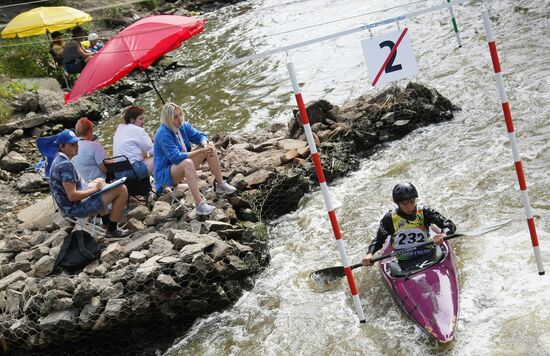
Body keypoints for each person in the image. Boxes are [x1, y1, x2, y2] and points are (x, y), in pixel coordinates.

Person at [153, 102, 237, 215]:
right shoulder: (163, 133)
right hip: (166, 175)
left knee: (210, 146)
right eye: (175, 117)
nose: (180, 119)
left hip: (178, 167)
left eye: (180, 115)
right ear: (168, 119)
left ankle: (220, 184)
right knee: (187, 163)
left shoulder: (183, 126)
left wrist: (204, 144)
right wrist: (201, 151)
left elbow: (200, 135)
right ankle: (199, 205)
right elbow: (176, 158)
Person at [49, 129, 132, 238]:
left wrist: (98, 186)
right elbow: (72, 196)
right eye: (72, 144)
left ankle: (106, 222)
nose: (76, 146)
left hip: (68, 207)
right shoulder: (65, 165)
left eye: (76, 143)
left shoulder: (58, 159)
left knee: (100, 181)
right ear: (62, 146)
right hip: (75, 209)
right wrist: (95, 189)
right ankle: (112, 230)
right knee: (122, 189)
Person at [362, 183, 456, 267]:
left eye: (412, 201)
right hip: (404, 259)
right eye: (405, 203)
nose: (409, 206)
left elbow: (449, 224)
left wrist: (444, 234)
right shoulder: (389, 219)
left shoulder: (424, 211)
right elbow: (379, 240)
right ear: (397, 203)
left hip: (428, 252)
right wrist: (370, 254)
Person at [113, 106, 154, 180]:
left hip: (118, 173)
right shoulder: (138, 130)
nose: (143, 121)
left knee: (143, 152)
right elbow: (153, 151)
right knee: (160, 155)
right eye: (140, 119)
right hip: (133, 172)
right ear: (132, 120)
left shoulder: (120, 128)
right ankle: (167, 183)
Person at [72, 117, 107, 181]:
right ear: (89, 131)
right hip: (98, 184)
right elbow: (105, 168)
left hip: (81, 186)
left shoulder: (71, 147)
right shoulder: (95, 146)